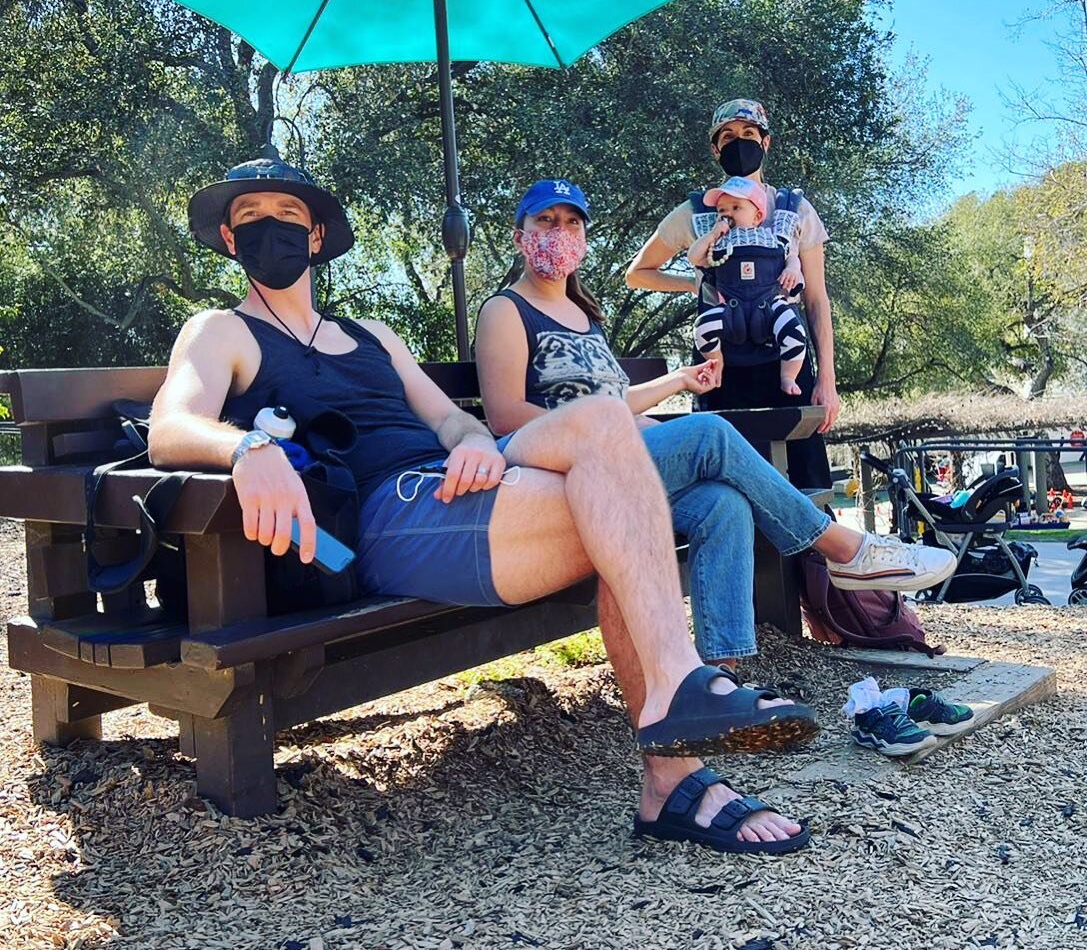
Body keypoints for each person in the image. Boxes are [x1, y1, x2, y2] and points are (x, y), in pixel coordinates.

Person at [150, 151, 823, 857]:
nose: (270, 230)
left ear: (316, 235)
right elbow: (171, 425)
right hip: (387, 515)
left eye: (287, 215)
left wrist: (471, 439)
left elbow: (451, 420)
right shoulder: (221, 330)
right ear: (229, 239)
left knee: (607, 450)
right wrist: (246, 450)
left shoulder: (372, 337)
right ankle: (681, 716)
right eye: (250, 219)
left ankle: (671, 766)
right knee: (613, 470)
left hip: (458, 488)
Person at [474, 178, 956, 851]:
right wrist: (602, 426)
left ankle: (714, 684)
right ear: (521, 232)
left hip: (618, 471)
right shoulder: (506, 309)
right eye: (543, 220)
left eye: (569, 221)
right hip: (550, 473)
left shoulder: (586, 315)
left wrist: (677, 382)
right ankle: (839, 549)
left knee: (723, 503)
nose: (558, 233)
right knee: (709, 436)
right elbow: (504, 417)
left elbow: (617, 403)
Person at [625, 98, 837, 490]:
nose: (739, 142)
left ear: (766, 142)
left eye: (748, 134)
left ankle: (813, 554)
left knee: (807, 482)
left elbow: (816, 300)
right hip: (718, 368)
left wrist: (827, 379)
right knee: (724, 482)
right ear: (715, 148)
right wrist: (693, 283)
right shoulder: (696, 213)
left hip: (785, 364)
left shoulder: (795, 208)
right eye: (728, 137)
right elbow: (638, 273)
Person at [687, 176, 807, 396]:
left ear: (757, 216)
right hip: (732, 308)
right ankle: (717, 364)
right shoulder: (717, 245)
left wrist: (793, 269)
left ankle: (788, 376)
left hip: (770, 304)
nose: (727, 214)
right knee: (702, 328)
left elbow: (791, 256)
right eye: (722, 210)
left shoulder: (772, 237)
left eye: (736, 207)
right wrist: (713, 234)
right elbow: (693, 257)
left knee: (794, 333)